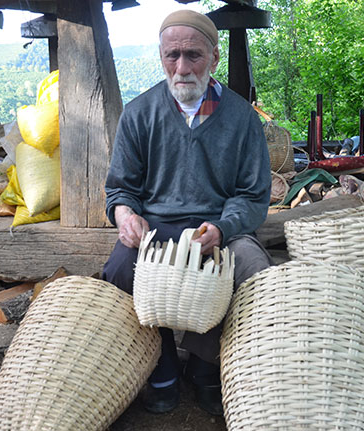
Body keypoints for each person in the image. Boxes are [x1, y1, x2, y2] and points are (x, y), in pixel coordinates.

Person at [102, 10, 272, 416]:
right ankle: (161, 365)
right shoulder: (140, 113)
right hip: (156, 225)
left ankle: (205, 364)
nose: (181, 68)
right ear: (161, 56)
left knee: (252, 269)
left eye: (193, 55)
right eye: (171, 56)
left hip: (218, 225)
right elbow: (120, 188)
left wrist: (223, 226)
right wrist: (127, 217)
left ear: (214, 58)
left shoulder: (241, 118)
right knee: (120, 269)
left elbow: (252, 195)